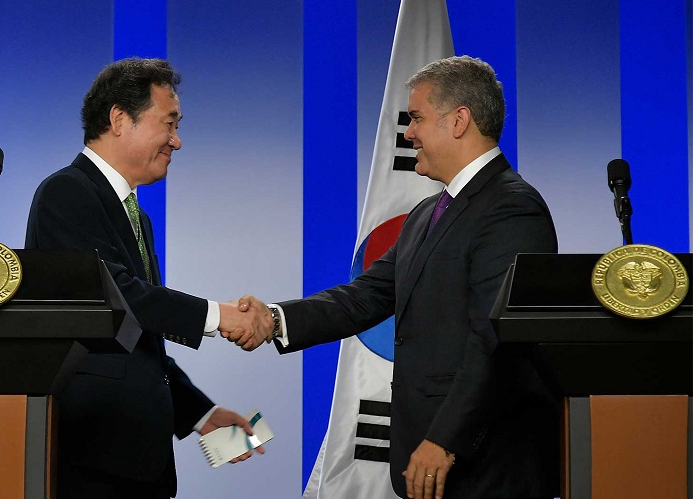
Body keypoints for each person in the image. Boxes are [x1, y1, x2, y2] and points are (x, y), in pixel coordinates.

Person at [227, 56, 560, 499]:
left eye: (417, 118)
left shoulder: (511, 209)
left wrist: (446, 439)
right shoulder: (426, 213)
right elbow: (365, 297)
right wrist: (273, 319)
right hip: (432, 461)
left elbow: (495, 340)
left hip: (485, 466)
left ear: (459, 120)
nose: (408, 133)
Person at [25, 57, 270, 498]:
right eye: (169, 123)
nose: (177, 140)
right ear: (120, 119)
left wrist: (200, 414)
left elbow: (137, 340)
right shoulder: (66, 193)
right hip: (92, 462)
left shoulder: (137, 216)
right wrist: (220, 316)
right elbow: (118, 297)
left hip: (135, 463)